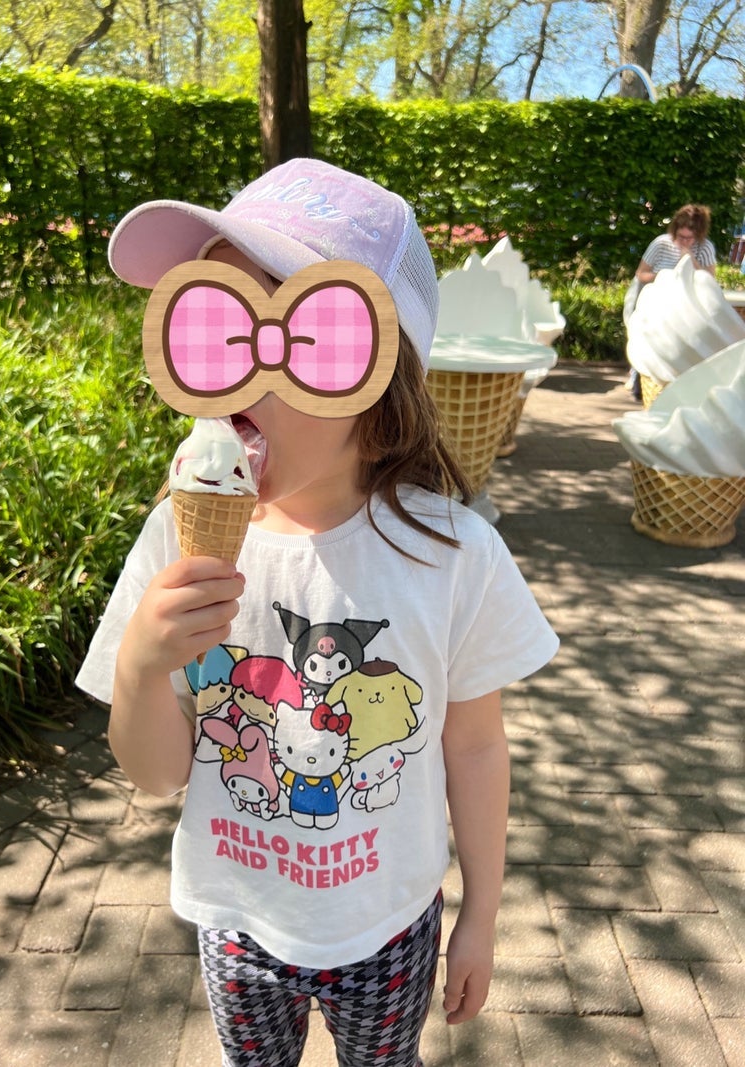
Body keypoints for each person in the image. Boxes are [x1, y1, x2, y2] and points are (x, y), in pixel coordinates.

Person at [76, 158, 559, 1067]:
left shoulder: (453, 556)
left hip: (390, 924)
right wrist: (141, 665)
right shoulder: (174, 536)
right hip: (237, 919)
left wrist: (483, 917)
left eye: (303, 340)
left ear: (382, 379)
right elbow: (158, 774)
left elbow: (474, 746)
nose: (237, 374)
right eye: (216, 327)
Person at [624, 203, 717, 398]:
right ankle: (638, 380)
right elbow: (641, 274)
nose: (684, 241)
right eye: (680, 236)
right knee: (646, 341)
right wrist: (666, 276)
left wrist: (691, 260)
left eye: (689, 238)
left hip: (683, 309)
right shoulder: (661, 244)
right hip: (654, 303)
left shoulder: (705, 248)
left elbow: (709, 281)